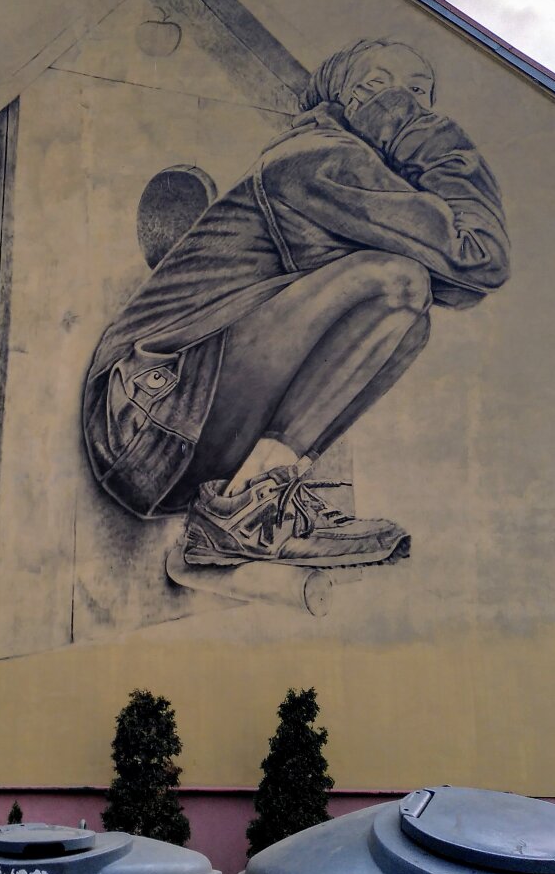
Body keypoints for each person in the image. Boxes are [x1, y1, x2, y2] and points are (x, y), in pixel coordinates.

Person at [82, 39, 510, 568]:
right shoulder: (318, 157)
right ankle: (248, 507)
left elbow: (463, 281)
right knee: (397, 282)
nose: (405, 104)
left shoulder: (358, 175)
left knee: (410, 315)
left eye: (419, 95)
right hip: (148, 419)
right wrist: (421, 134)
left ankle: (253, 498)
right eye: (380, 87)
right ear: (352, 97)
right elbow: (479, 255)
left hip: (182, 444)